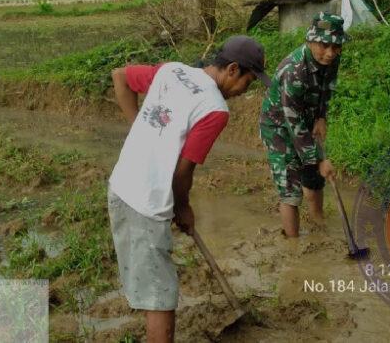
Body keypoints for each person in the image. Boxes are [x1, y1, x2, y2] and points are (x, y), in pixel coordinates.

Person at [107, 35, 270, 343]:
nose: (243, 92)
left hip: (120, 187)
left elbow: (120, 76)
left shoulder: (172, 70)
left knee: (150, 281)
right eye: (247, 83)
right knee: (160, 297)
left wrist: (139, 130)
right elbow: (183, 171)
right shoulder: (214, 109)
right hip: (147, 201)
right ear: (232, 70)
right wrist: (183, 208)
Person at [260, 12, 347, 238]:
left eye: (336, 46)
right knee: (290, 187)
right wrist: (318, 159)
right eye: (324, 45)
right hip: (279, 125)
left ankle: (319, 223)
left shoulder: (332, 58)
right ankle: (293, 244)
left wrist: (321, 116)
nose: (330, 52)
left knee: (315, 176)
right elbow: (293, 122)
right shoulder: (294, 71)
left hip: (306, 116)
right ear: (310, 40)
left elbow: (327, 88)